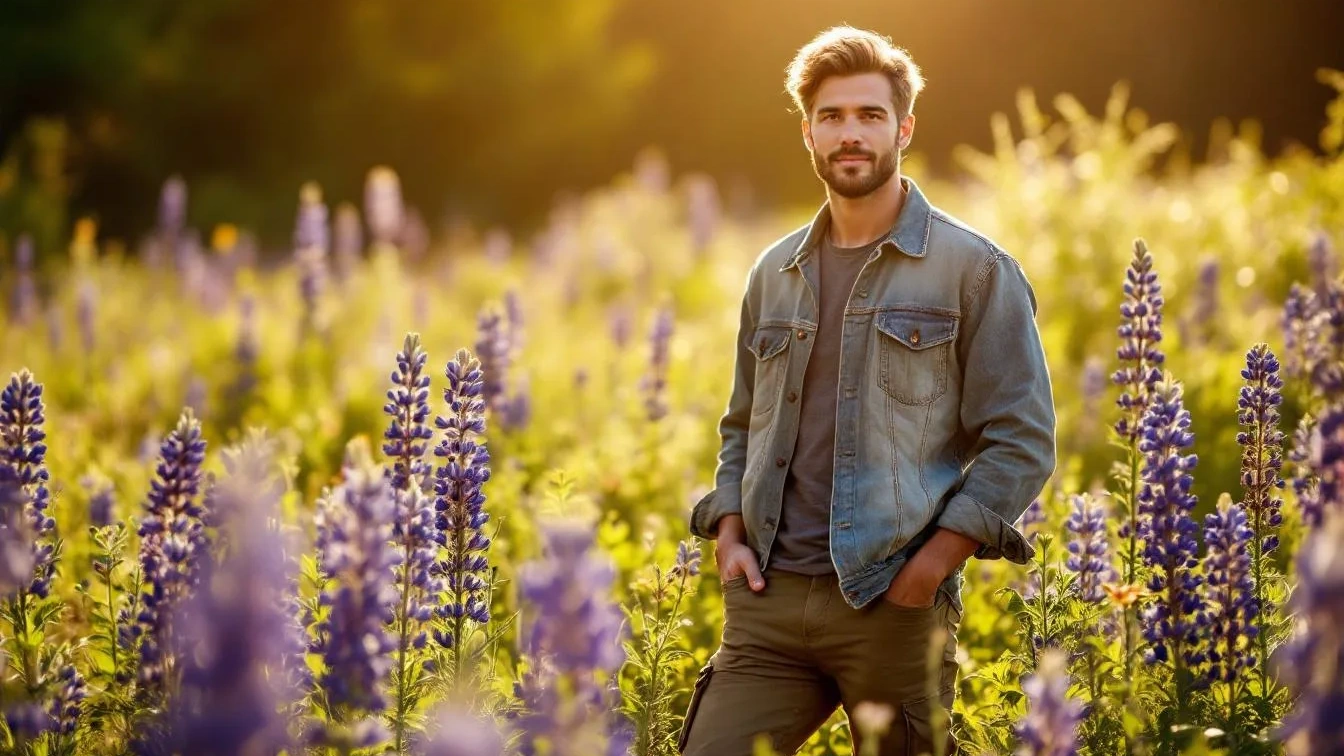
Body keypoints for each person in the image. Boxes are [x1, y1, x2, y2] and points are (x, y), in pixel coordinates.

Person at [680, 25, 1057, 756]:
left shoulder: (974, 270)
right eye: (832, 117)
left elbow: (1023, 439)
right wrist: (729, 534)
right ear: (808, 133)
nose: (850, 134)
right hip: (768, 605)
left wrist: (928, 571)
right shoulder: (773, 272)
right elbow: (742, 423)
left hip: (891, 601)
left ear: (904, 128)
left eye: (870, 115)